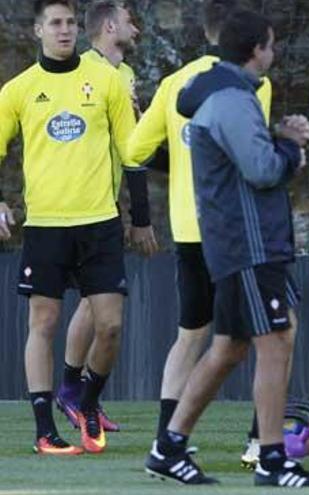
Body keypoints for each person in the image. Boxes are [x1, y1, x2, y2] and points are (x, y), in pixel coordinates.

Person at [144, 9, 309, 487]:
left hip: (243, 242)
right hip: (246, 244)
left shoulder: (228, 95)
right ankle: (271, 458)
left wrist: (280, 141)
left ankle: (169, 446)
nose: (275, 52)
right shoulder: (230, 99)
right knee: (273, 342)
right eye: (271, 44)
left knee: (231, 348)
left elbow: (247, 160)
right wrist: (289, 145)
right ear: (256, 50)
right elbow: (263, 170)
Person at [0, 0, 155, 455]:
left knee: (109, 325)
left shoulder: (107, 80)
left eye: (70, 22)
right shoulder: (18, 90)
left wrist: (140, 216)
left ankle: (86, 403)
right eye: (55, 23)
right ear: (38, 31)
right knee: (43, 322)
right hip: (46, 225)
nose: (64, 30)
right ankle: (45, 431)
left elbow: (132, 151)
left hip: (100, 221)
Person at [126, 0, 273, 469]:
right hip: (231, 227)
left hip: (189, 227)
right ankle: (259, 440)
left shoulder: (174, 83)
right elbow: (255, 152)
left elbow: (134, 149)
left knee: (191, 335)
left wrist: (179, 167)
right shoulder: (251, 83)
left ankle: (167, 437)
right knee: (264, 334)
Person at [56, 0, 142, 435]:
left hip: (107, 205)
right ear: (110, 25)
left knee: (97, 305)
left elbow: (131, 147)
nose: (137, 29)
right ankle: (73, 392)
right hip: (77, 209)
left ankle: (81, 395)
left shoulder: (124, 75)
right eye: (130, 21)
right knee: (96, 305)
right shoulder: (81, 70)